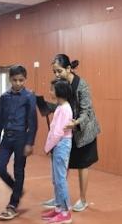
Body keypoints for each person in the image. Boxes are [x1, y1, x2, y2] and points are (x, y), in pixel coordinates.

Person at [43, 54, 101, 212]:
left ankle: (83, 199)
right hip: (68, 132)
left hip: (84, 131)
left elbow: (86, 111)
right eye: (54, 72)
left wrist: (76, 123)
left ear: (68, 68)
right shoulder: (60, 84)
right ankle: (59, 197)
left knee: (83, 164)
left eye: (59, 71)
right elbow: (61, 105)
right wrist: (46, 106)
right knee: (63, 165)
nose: (57, 75)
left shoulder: (82, 85)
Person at [0, 65, 38, 221]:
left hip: (21, 138)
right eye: (15, 80)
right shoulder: (4, 97)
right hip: (7, 138)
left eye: (21, 80)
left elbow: (33, 122)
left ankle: (13, 204)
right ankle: (17, 189)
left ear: (25, 79)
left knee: (19, 170)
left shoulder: (29, 97)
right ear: (9, 79)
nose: (18, 83)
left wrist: (29, 143)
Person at [41, 79, 74, 224]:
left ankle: (66, 212)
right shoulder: (61, 107)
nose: (50, 92)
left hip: (61, 145)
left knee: (60, 179)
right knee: (56, 179)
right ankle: (58, 208)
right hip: (57, 145)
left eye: (52, 89)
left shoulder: (65, 109)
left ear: (60, 91)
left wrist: (48, 146)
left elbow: (58, 132)